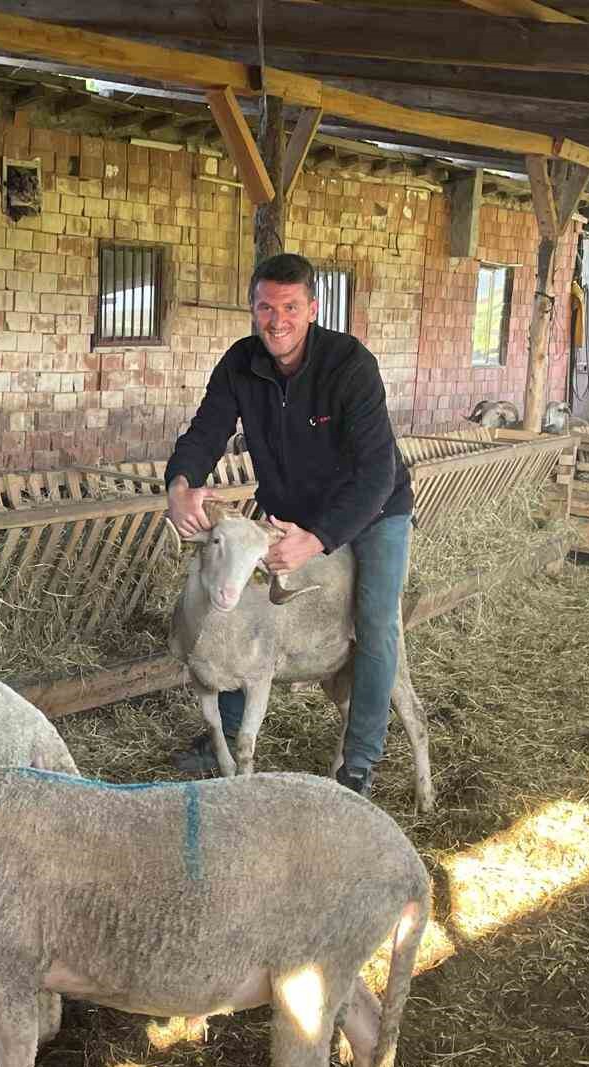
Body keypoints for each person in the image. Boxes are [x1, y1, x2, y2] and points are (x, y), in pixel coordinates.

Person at [163, 252, 413, 799]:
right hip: (286, 512)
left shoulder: (350, 364)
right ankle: (224, 735)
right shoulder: (240, 363)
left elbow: (377, 472)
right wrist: (181, 483)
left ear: (312, 308)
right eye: (265, 307)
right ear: (253, 309)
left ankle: (359, 760)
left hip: (371, 511)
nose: (277, 320)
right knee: (239, 609)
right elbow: (206, 430)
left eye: (290, 307)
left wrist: (319, 539)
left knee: (374, 623)